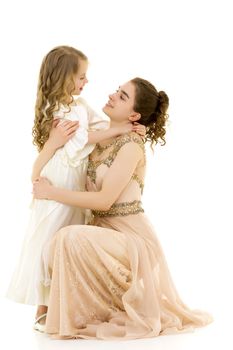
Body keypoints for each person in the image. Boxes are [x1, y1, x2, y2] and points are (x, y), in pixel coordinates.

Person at [33, 77, 213, 340]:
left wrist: (51, 193)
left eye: (123, 96)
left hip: (131, 239)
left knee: (69, 237)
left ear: (134, 114)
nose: (112, 95)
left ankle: (71, 315)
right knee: (52, 240)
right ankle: (58, 309)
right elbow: (63, 145)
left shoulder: (131, 146)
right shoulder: (98, 138)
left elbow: (105, 201)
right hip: (103, 232)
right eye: (117, 91)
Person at [6, 46, 145, 330]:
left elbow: (104, 123)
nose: (86, 82)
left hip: (73, 182)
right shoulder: (56, 109)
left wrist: (133, 126)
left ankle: (61, 303)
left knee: (66, 237)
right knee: (50, 237)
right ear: (64, 77)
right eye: (81, 76)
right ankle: (42, 307)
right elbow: (83, 139)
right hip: (60, 180)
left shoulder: (80, 106)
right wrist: (119, 130)